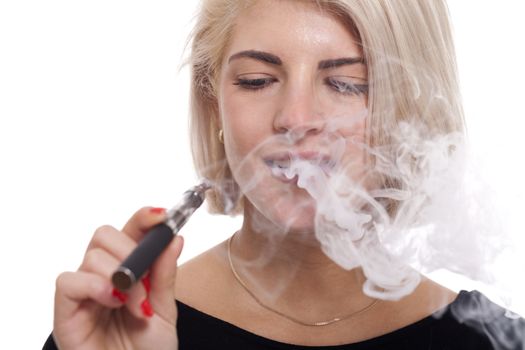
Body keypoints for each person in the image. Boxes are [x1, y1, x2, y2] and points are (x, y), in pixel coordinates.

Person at [44, 0, 525, 349]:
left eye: (346, 83)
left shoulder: (491, 339)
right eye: (257, 81)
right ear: (215, 107)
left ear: (411, 114)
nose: (296, 118)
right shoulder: (113, 329)